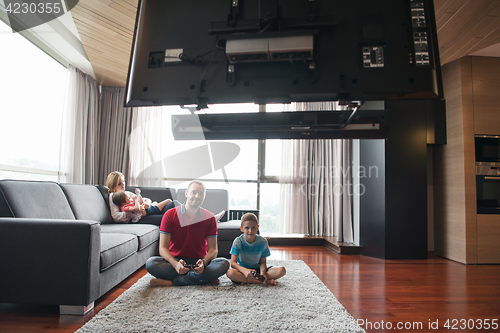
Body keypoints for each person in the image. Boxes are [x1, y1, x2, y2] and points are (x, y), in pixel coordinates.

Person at [146, 180, 230, 286]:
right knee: (151, 263)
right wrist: (175, 264)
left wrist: (204, 262)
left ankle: (173, 282)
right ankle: (202, 279)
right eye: (193, 192)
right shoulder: (169, 215)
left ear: (204, 196)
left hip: (199, 262)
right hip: (175, 261)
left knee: (224, 263)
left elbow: (213, 250)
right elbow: (162, 248)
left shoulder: (210, 218)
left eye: (201, 194)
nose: (197, 196)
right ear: (186, 193)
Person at [226, 213, 286, 285]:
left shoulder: (263, 241)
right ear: (241, 229)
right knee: (230, 272)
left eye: (253, 227)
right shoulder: (238, 241)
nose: (250, 231)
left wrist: (262, 273)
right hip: (243, 270)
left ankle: (249, 280)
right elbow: (233, 263)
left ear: (257, 228)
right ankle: (263, 282)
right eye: (247, 228)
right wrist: (245, 271)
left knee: (282, 270)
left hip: (258, 270)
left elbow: (263, 262)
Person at [106, 171, 178, 224]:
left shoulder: (126, 193)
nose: (123, 185)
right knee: (168, 218)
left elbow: (146, 199)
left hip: (145, 212)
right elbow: (115, 216)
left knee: (173, 204)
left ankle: (187, 220)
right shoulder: (113, 196)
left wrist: (147, 204)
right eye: (119, 183)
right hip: (135, 219)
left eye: (123, 181)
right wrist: (132, 211)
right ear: (113, 185)